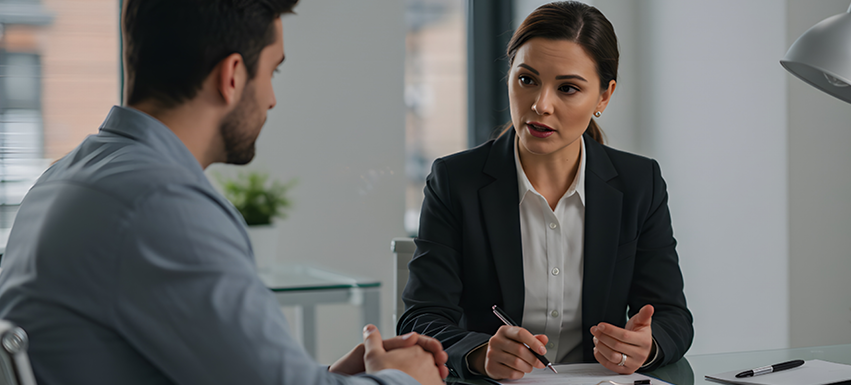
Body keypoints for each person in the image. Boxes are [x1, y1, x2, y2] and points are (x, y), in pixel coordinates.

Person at [0, 1, 447, 384]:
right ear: (232, 76)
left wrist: (332, 377)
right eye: (272, 72)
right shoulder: (159, 205)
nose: (272, 98)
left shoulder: (66, 175)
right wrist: (405, 379)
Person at [398, 1, 693, 380]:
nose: (540, 104)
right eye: (527, 80)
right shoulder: (455, 181)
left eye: (567, 88)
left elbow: (673, 317)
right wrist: (479, 352)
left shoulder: (639, 183)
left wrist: (645, 346)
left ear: (603, 97)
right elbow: (421, 318)